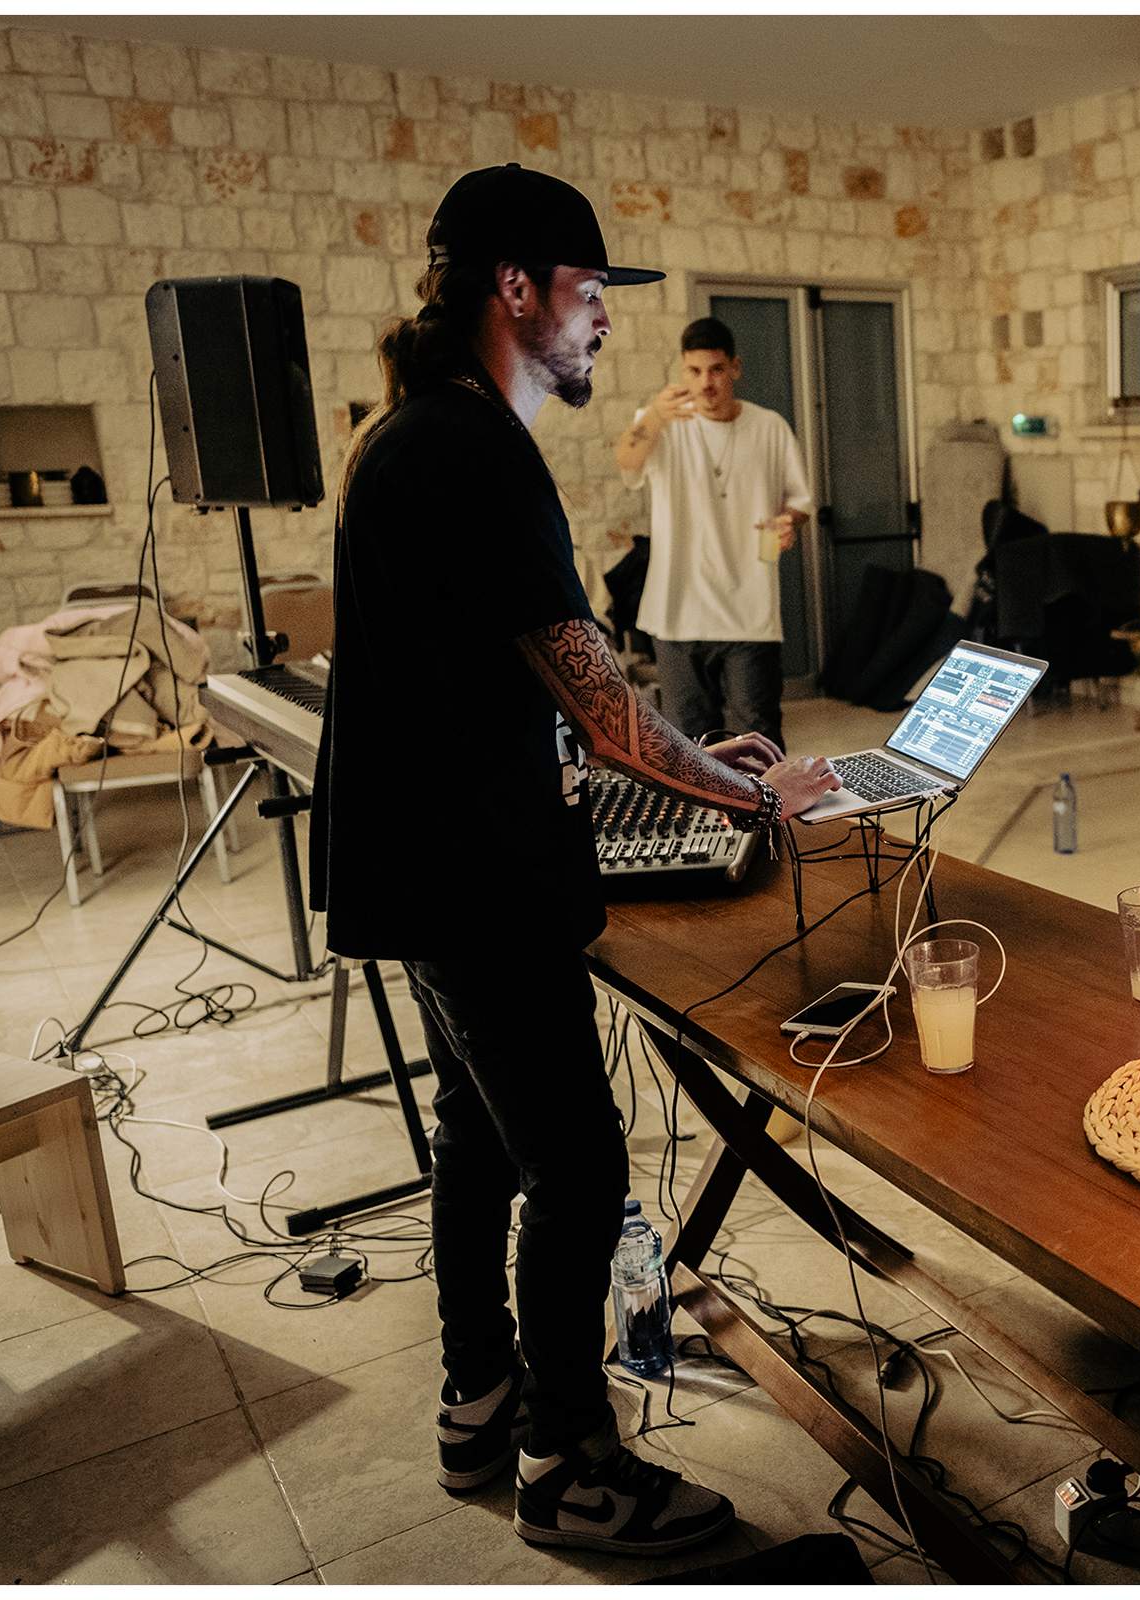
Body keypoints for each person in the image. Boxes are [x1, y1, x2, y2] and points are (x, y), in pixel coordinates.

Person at [311, 164, 841, 1556]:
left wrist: (680, 758)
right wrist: (751, 797)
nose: (604, 321)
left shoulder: (409, 434)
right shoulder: (475, 450)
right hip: (476, 880)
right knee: (581, 1169)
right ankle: (572, 1465)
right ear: (517, 288)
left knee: (480, 1142)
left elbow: (535, 691)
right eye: (591, 292)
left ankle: (478, 1400)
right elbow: (604, 713)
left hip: (432, 867)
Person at [615, 317, 813, 754]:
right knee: (686, 742)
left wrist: (789, 522)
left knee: (757, 737)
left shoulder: (769, 427)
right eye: (695, 371)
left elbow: (800, 502)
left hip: (751, 610)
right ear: (683, 370)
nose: (706, 382)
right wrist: (653, 415)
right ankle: (701, 824)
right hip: (677, 609)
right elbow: (626, 461)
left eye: (717, 370)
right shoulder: (660, 423)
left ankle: (764, 822)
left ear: (736, 368)